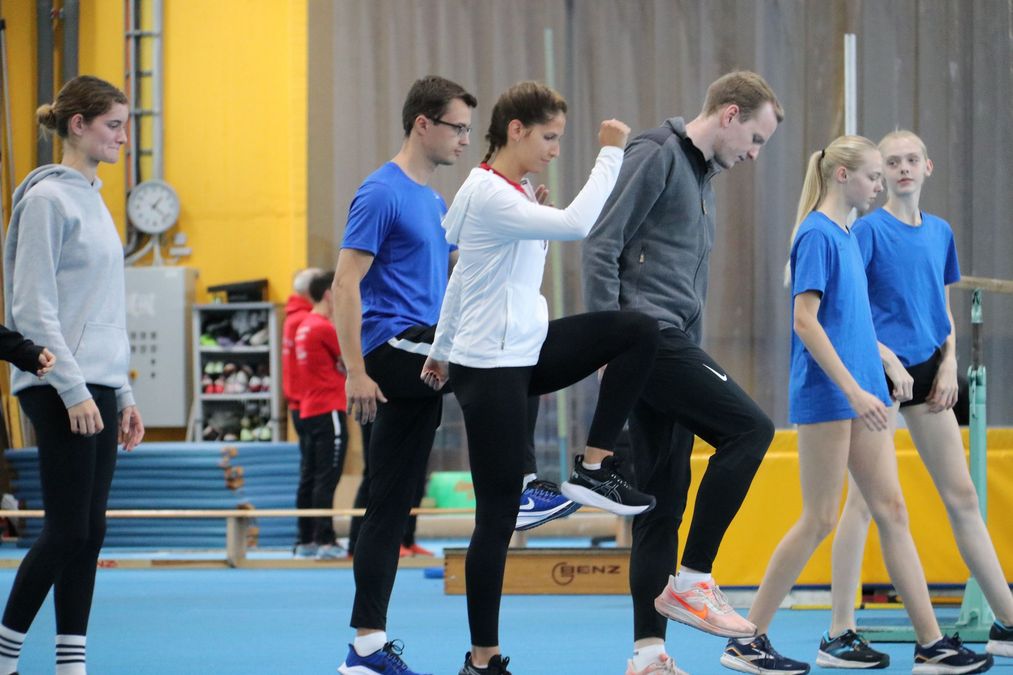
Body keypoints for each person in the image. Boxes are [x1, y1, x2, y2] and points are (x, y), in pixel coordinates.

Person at [719, 135, 992, 675]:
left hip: (865, 389)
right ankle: (747, 638)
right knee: (819, 518)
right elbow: (805, 322)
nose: (878, 185)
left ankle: (931, 645)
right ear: (843, 175)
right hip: (830, 393)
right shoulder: (817, 234)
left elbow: (857, 321)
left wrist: (882, 369)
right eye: (873, 175)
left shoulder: (846, 233)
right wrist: (852, 389)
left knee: (892, 511)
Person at [421, 80, 659, 675]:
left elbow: (465, 274)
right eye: (550, 137)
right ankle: (483, 659)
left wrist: (440, 347)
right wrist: (611, 151)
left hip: (523, 349)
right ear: (517, 131)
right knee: (496, 518)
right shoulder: (487, 193)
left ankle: (595, 465)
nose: (556, 148)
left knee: (637, 331)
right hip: (491, 366)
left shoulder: (513, 191)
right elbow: (578, 225)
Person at [583, 70, 782, 674]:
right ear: (729, 114)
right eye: (755, 138)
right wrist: (607, 343)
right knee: (750, 430)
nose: (754, 154)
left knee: (661, 503)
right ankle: (695, 578)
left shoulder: (702, 177)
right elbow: (600, 244)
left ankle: (648, 654)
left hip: (669, 342)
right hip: (646, 338)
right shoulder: (657, 153)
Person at [818, 130, 1013, 669]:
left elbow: (941, 306)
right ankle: (840, 630)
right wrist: (886, 360)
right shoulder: (866, 231)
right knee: (863, 505)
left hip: (929, 374)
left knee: (964, 496)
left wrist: (949, 363)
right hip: (878, 372)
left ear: (928, 167)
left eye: (911, 160)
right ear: (881, 173)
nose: (902, 168)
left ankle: (1006, 619)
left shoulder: (940, 232)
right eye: (892, 162)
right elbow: (848, 310)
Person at [332, 75, 477, 675]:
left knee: (389, 505)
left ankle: (365, 648)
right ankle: (522, 482)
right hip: (393, 348)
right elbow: (345, 283)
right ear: (423, 124)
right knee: (491, 363)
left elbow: (460, 270)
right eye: (457, 128)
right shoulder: (381, 192)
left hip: (425, 349)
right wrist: (355, 371)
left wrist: (525, 229)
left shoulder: (435, 202)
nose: (465, 139)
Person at [0, 74, 145, 675]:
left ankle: (71, 663)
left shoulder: (95, 199)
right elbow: (33, 311)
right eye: (113, 125)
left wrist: (124, 392)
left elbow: (104, 309)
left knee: (90, 531)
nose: (123, 137)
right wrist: (73, 388)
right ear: (78, 126)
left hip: (98, 384)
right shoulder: (46, 201)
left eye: (125, 125)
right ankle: (4, 656)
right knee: (65, 530)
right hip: (58, 383)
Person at [293, 271, 350, 560]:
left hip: (309, 409)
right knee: (327, 478)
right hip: (328, 410)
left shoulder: (304, 326)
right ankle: (325, 540)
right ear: (329, 294)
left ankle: (306, 540)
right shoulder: (323, 327)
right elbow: (351, 360)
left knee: (310, 476)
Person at [283, 267, 324, 558]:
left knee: (310, 472)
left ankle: (306, 537)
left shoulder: (293, 318)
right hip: (310, 403)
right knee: (317, 474)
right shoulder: (307, 321)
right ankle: (315, 537)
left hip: (300, 404)